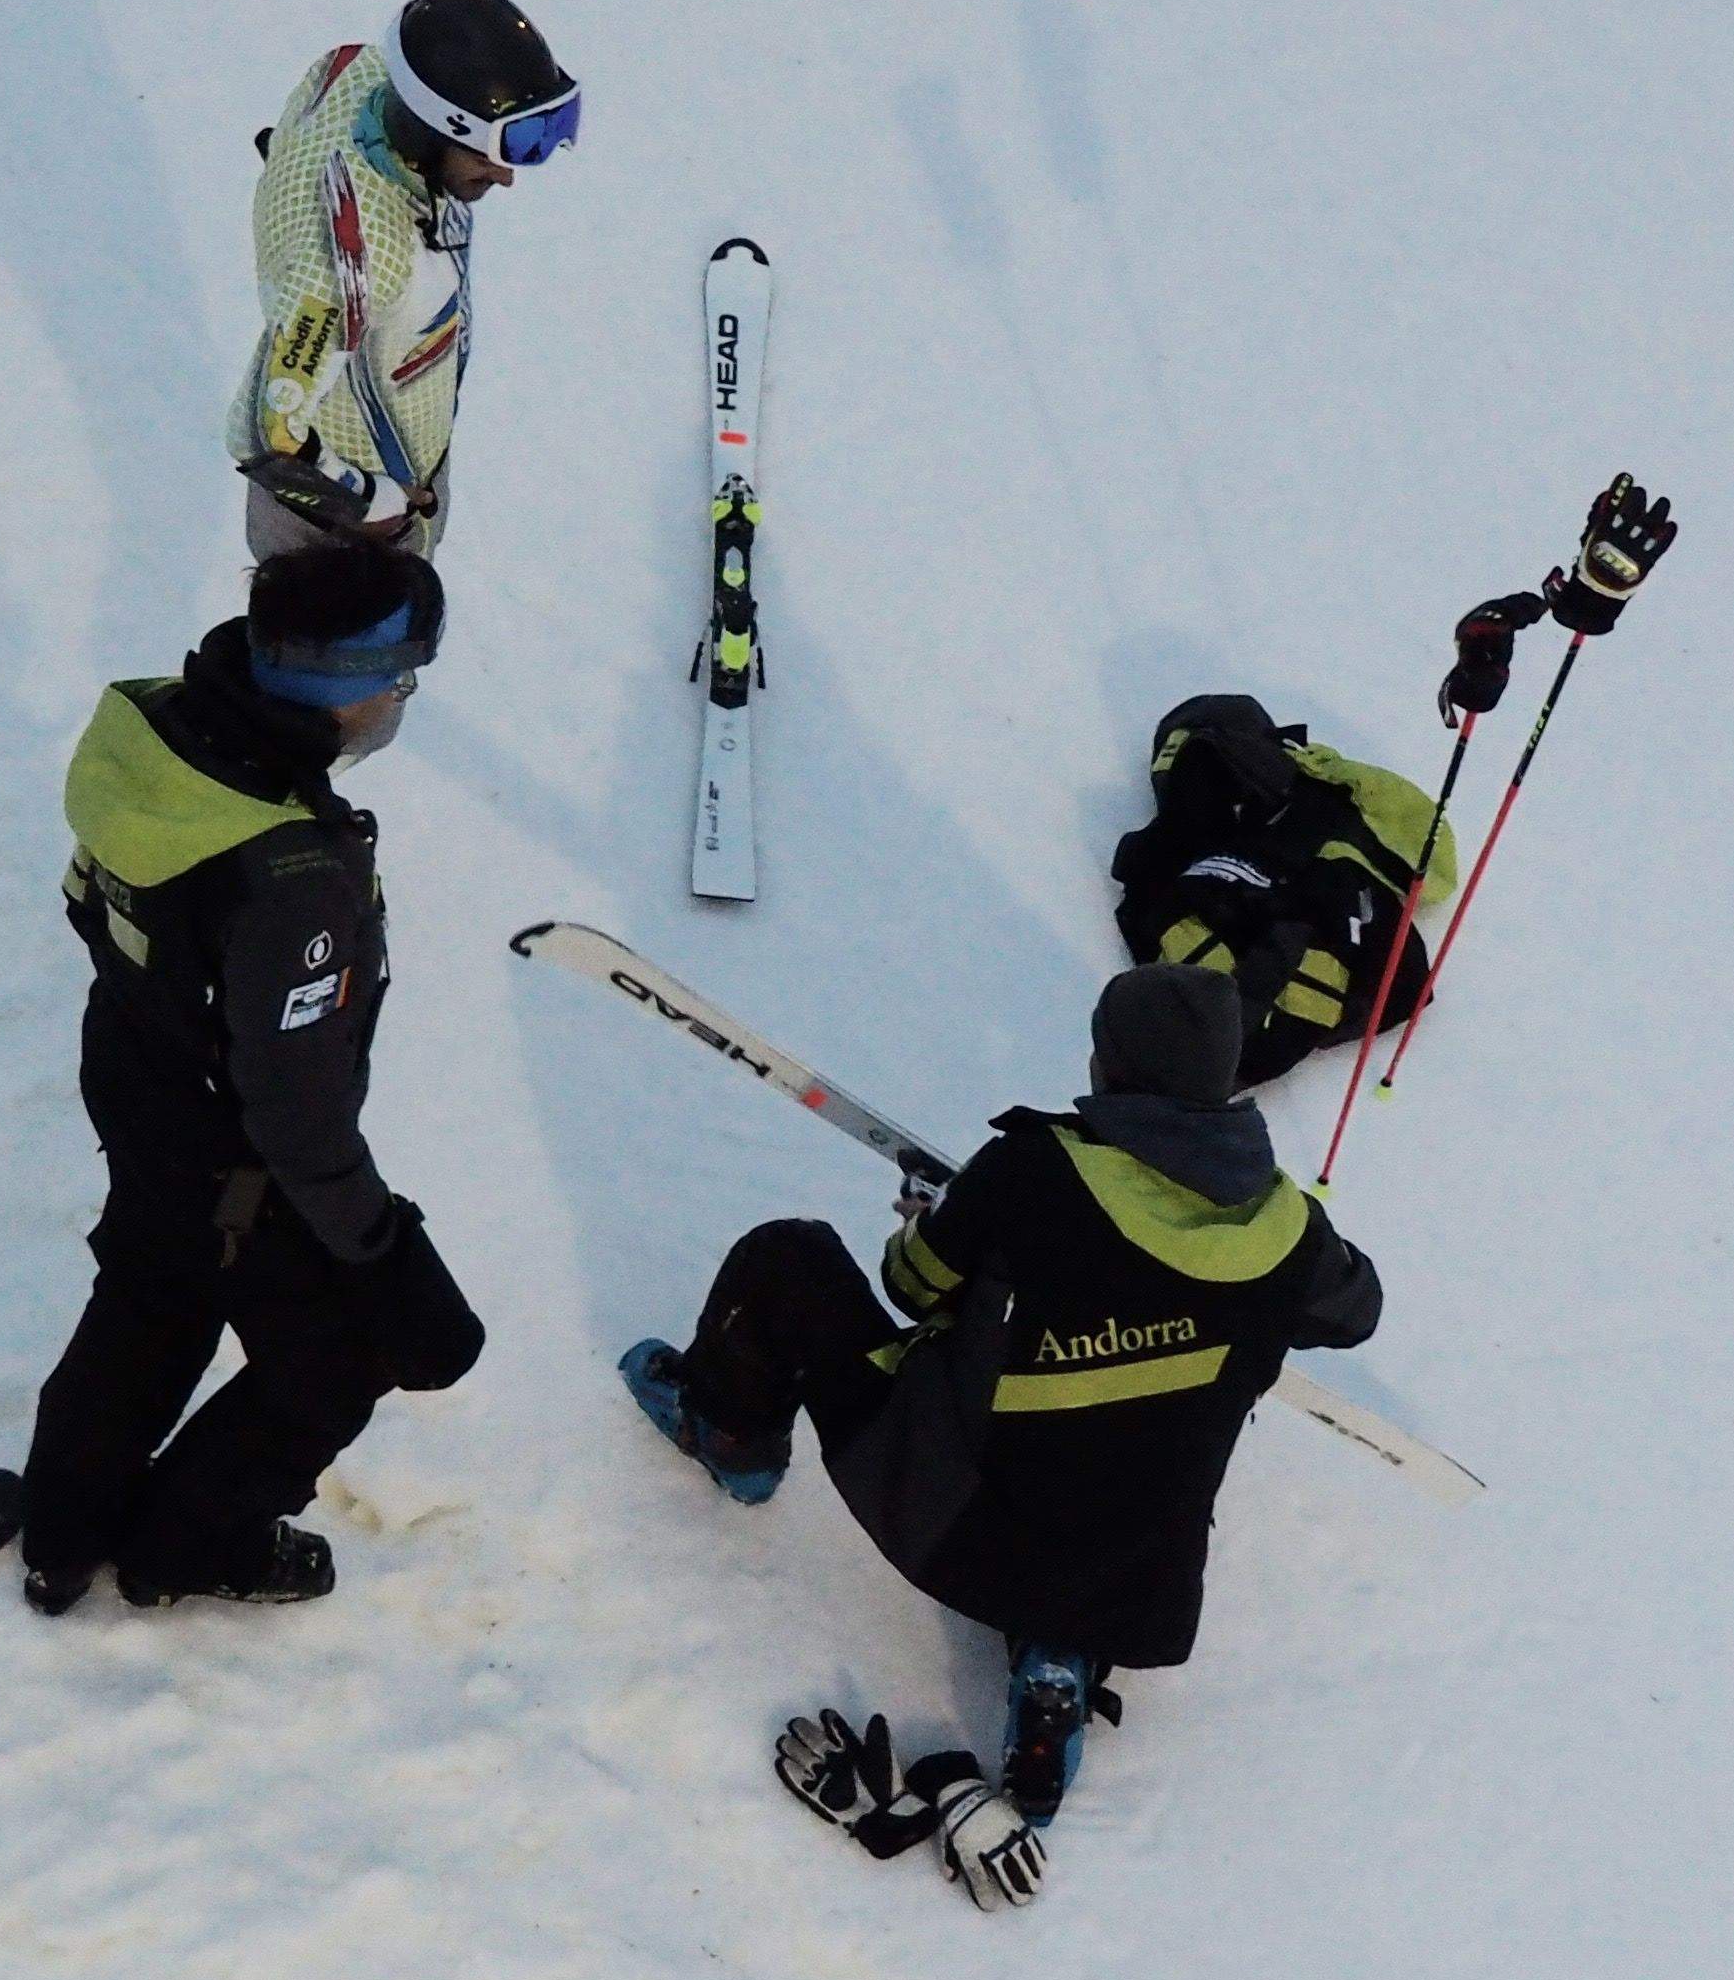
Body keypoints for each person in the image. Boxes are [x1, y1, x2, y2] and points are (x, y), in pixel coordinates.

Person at [611, 965, 1383, 1909]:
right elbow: (1355, 1311)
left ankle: (728, 1436)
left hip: (955, 1523)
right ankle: (1055, 1661)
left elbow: (910, 1283)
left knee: (792, 1258)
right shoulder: (1289, 1234)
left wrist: (941, 1227)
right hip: (1137, 1592)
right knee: (1116, 1457)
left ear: (1110, 1068)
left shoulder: (1038, 1169)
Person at [21, 543, 484, 1611]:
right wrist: (375, 1245)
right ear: (344, 693)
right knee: (353, 1354)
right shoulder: (289, 880)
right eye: (397, 679)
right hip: (235, 1151)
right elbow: (295, 1111)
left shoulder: (160, 732)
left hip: (135, 1070)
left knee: (150, 1295)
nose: (399, 700)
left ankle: (64, 1527)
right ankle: (185, 1546)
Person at [227, 0, 580, 558]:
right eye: (499, 147)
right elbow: (267, 438)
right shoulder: (358, 266)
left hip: (395, 422)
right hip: (341, 535)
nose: (509, 176)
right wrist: (379, 505)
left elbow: (299, 142)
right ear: (429, 129)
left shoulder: (359, 70)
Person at [1102, 689, 1475, 1090]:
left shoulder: (1323, 801)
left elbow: (1434, 866)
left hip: (1323, 957)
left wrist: (1322, 768)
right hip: (1276, 986)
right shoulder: (1175, 853)